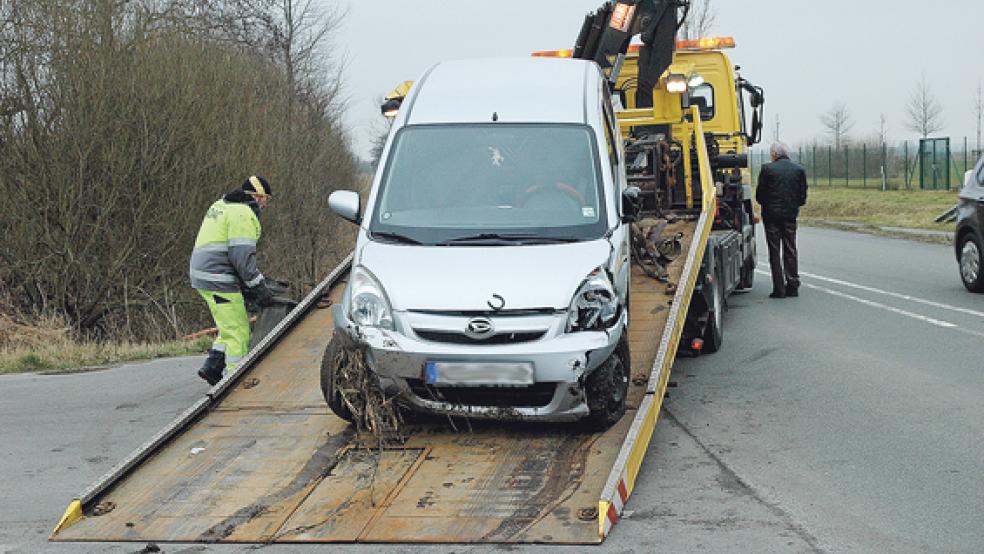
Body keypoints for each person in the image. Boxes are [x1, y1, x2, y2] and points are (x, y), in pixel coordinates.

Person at [189, 176, 275, 385]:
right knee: (239, 332)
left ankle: (212, 368)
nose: (265, 204)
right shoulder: (243, 214)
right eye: (265, 199)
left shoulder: (222, 205)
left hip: (203, 275)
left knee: (228, 326)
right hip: (219, 279)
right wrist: (259, 288)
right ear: (255, 197)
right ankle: (233, 381)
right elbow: (242, 261)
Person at [756, 143, 808, 299]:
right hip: (790, 214)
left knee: (774, 251)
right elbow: (802, 196)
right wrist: (793, 205)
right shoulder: (799, 170)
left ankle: (779, 289)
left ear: (774, 154)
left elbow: (760, 195)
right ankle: (793, 285)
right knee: (790, 248)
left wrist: (768, 204)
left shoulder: (767, 169)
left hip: (771, 216)